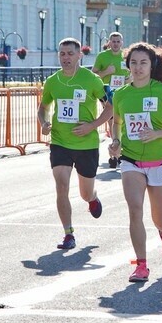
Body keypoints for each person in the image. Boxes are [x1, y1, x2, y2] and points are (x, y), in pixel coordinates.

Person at [108, 43, 162, 282]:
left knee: (158, 217)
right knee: (134, 211)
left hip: (160, 160)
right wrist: (116, 141)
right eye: (133, 63)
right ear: (127, 66)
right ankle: (141, 264)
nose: (138, 67)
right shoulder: (121, 94)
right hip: (131, 160)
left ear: (152, 65)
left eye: (143, 63)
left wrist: (158, 134)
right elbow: (117, 122)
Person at [38, 38, 112, 250]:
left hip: (86, 144)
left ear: (80, 55)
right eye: (62, 54)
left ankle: (93, 198)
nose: (65, 58)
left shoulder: (92, 80)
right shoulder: (53, 81)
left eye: (70, 53)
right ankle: (68, 234)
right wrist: (44, 122)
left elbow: (110, 108)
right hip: (60, 142)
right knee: (61, 187)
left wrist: (92, 126)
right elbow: (43, 108)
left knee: (84, 193)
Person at [92, 32, 130, 168]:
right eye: (113, 41)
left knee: (123, 122)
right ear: (109, 42)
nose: (115, 44)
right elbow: (93, 75)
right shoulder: (102, 56)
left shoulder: (126, 56)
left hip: (125, 93)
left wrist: (130, 79)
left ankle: (119, 151)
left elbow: (133, 72)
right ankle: (114, 154)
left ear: (122, 43)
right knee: (114, 122)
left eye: (118, 41)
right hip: (107, 93)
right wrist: (106, 72)